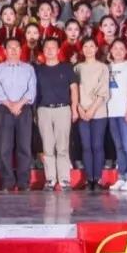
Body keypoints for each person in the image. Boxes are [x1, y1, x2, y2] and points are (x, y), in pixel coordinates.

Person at [0, 38, 36, 191]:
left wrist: (19, 104)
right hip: (5, 109)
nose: (13, 50)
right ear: (5, 51)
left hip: (24, 109)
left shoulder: (28, 68)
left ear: (21, 50)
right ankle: (7, 181)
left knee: (24, 147)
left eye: (16, 47)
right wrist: (10, 105)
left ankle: (24, 182)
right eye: (10, 48)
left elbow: (32, 89)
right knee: (5, 148)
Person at [35, 37, 78, 191]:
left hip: (63, 109)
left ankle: (64, 179)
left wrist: (74, 109)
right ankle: (50, 179)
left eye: (53, 47)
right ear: (43, 50)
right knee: (47, 147)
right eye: (46, 47)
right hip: (44, 110)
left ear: (58, 50)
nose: (50, 50)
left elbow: (74, 89)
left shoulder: (67, 68)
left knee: (62, 146)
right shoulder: (38, 70)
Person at [74, 37, 109, 190]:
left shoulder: (103, 67)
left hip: (98, 111)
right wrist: (80, 109)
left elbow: (104, 90)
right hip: (82, 112)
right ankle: (89, 179)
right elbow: (74, 90)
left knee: (97, 145)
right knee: (86, 146)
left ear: (96, 49)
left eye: (91, 46)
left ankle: (98, 178)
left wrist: (92, 109)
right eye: (85, 46)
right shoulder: (77, 68)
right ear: (82, 50)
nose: (88, 49)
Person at [106, 40, 127, 192]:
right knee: (119, 147)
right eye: (115, 48)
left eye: (121, 48)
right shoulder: (108, 67)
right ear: (110, 51)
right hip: (112, 112)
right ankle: (121, 177)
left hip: (126, 112)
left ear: (126, 51)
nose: (118, 51)